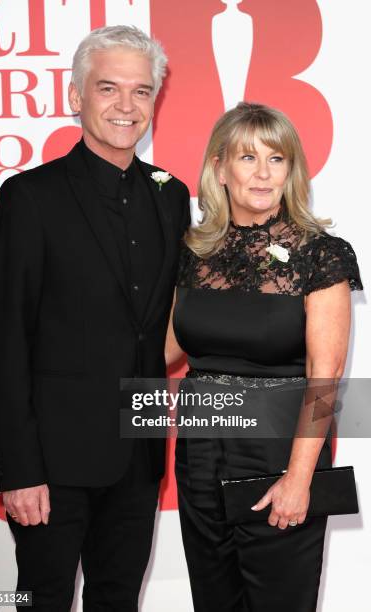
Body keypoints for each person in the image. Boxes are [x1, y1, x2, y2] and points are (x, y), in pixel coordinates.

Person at [0, 25, 190, 611]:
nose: (126, 107)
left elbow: (167, 326)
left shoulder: (172, 196)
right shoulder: (30, 197)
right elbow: (9, 340)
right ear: (76, 96)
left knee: (118, 599)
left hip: (141, 451)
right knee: (41, 600)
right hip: (51, 462)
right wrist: (20, 470)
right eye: (108, 88)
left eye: (142, 91)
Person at [166, 102, 362, 611]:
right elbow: (164, 349)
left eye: (277, 159)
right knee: (214, 600)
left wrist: (299, 478)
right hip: (200, 454)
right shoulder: (191, 253)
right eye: (248, 158)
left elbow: (327, 377)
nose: (263, 173)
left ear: (292, 170)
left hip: (279, 455)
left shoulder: (321, 253)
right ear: (219, 167)